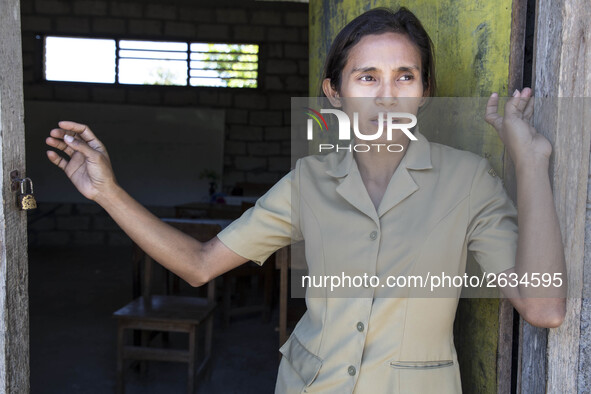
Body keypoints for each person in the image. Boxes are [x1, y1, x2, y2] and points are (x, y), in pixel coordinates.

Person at [46, 7, 566, 394]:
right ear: (334, 93)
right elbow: (200, 264)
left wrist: (531, 162)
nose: (387, 95)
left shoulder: (467, 180)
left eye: (404, 76)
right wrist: (106, 192)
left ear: (424, 90)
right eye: (367, 77)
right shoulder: (309, 182)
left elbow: (542, 306)